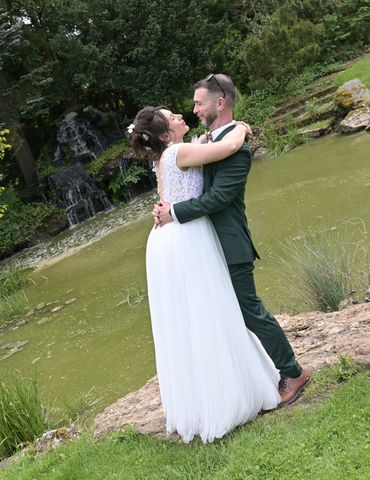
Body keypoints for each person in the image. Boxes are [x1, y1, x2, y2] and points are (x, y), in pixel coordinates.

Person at [153, 74, 310, 405]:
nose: (193, 109)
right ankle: (241, 381)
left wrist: (174, 212)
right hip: (204, 248)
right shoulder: (208, 141)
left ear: (219, 103)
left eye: (199, 103)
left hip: (229, 243)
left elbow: (218, 199)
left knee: (250, 311)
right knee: (220, 314)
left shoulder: (239, 152)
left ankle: (293, 372)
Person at [129, 106, 281, 443]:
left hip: (167, 240)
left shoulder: (166, 156)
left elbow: (202, 146)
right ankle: (226, 396)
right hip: (187, 239)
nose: (181, 116)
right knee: (208, 310)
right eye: (173, 118)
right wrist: (240, 126)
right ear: (166, 134)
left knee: (189, 317)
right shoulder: (180, 152)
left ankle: (202, 399)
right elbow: (227, 148)